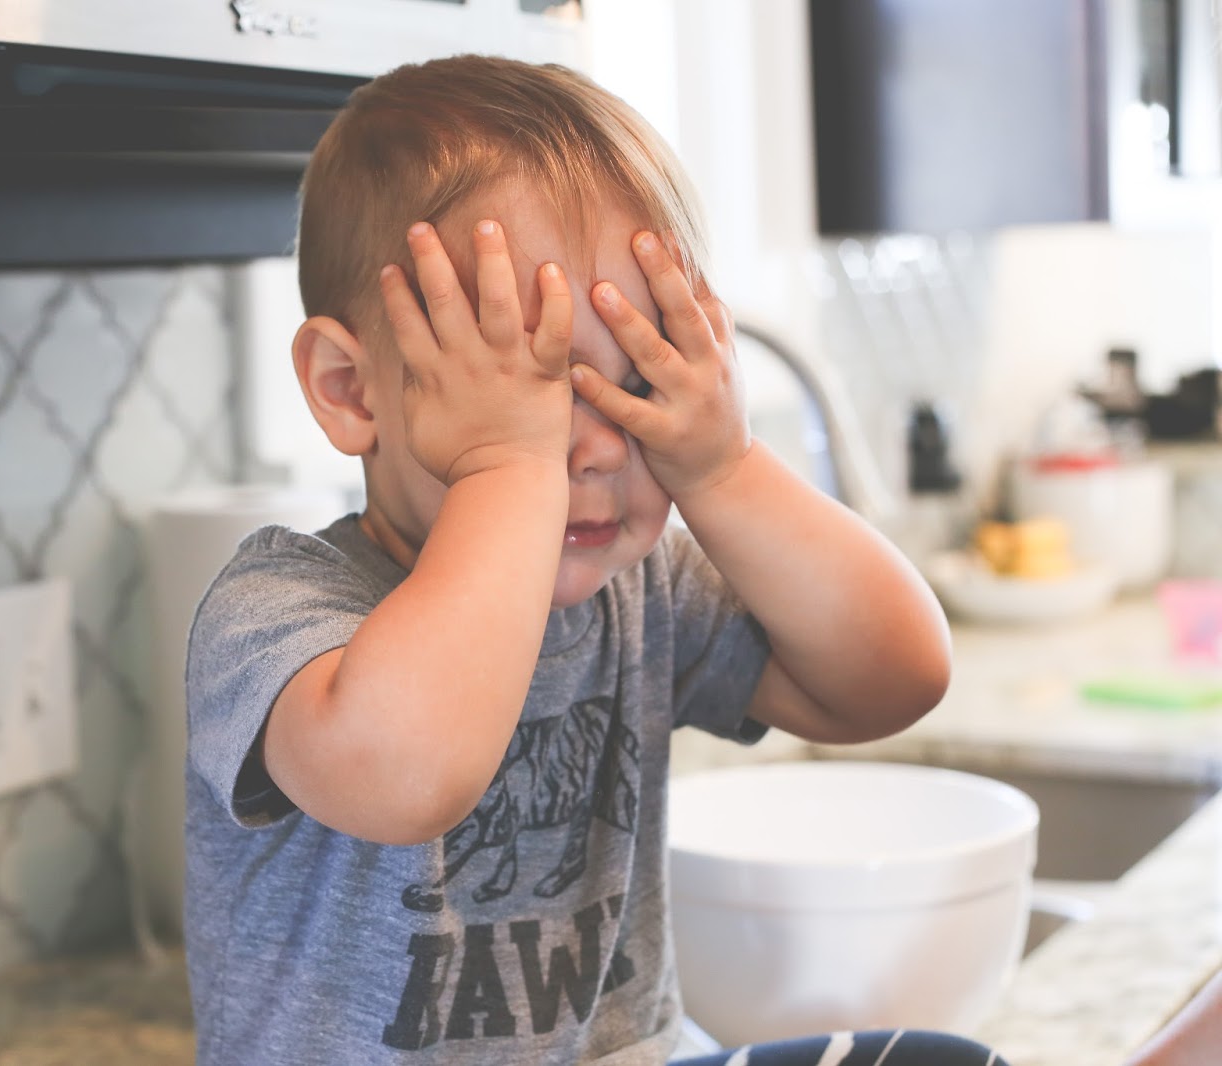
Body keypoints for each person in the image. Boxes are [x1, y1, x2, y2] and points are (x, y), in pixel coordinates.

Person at [182, 53, 999, 1065]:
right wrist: (509, 471)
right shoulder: (276, 609)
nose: (595, 444)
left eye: (636, 381)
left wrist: (724, 468)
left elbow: (891, 676)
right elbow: (406, 777)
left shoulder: (640, 589)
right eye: (527, 387)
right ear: (351, 389)